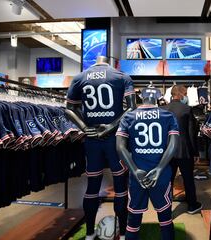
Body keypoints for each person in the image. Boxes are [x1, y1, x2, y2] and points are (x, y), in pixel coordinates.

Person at [65, 56, 136, 240]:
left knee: (92, 187)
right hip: (115, 138)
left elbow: (69, 109)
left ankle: (89, 233)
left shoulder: (79, 77)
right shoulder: (121, 76)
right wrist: (111, 126)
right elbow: (132, 108)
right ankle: (122, 234)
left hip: (92, 139)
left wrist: (84, 128)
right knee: (120, 187)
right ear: (109, 62)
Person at [116, 92, 179, 240]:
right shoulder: (168, 116)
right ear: (157, 99)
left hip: (137, 176)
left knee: (133, 220)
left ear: (140, 99)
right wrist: (159, 169)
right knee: (165, 218)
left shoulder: (128, 116)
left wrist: (135, 170)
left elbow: (120, 148)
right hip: (161, 176)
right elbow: (173, 145)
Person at [163, 85, 202, 214]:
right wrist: (195, 152)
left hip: (167, 151)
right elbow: (192, 133)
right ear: (180, 94)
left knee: (168, 180)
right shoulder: (187, 109)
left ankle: (166, 207)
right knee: (188, 178)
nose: (186, 96)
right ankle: (192, 205)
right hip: (184, 150)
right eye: (185, 93)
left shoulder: (162, 110)